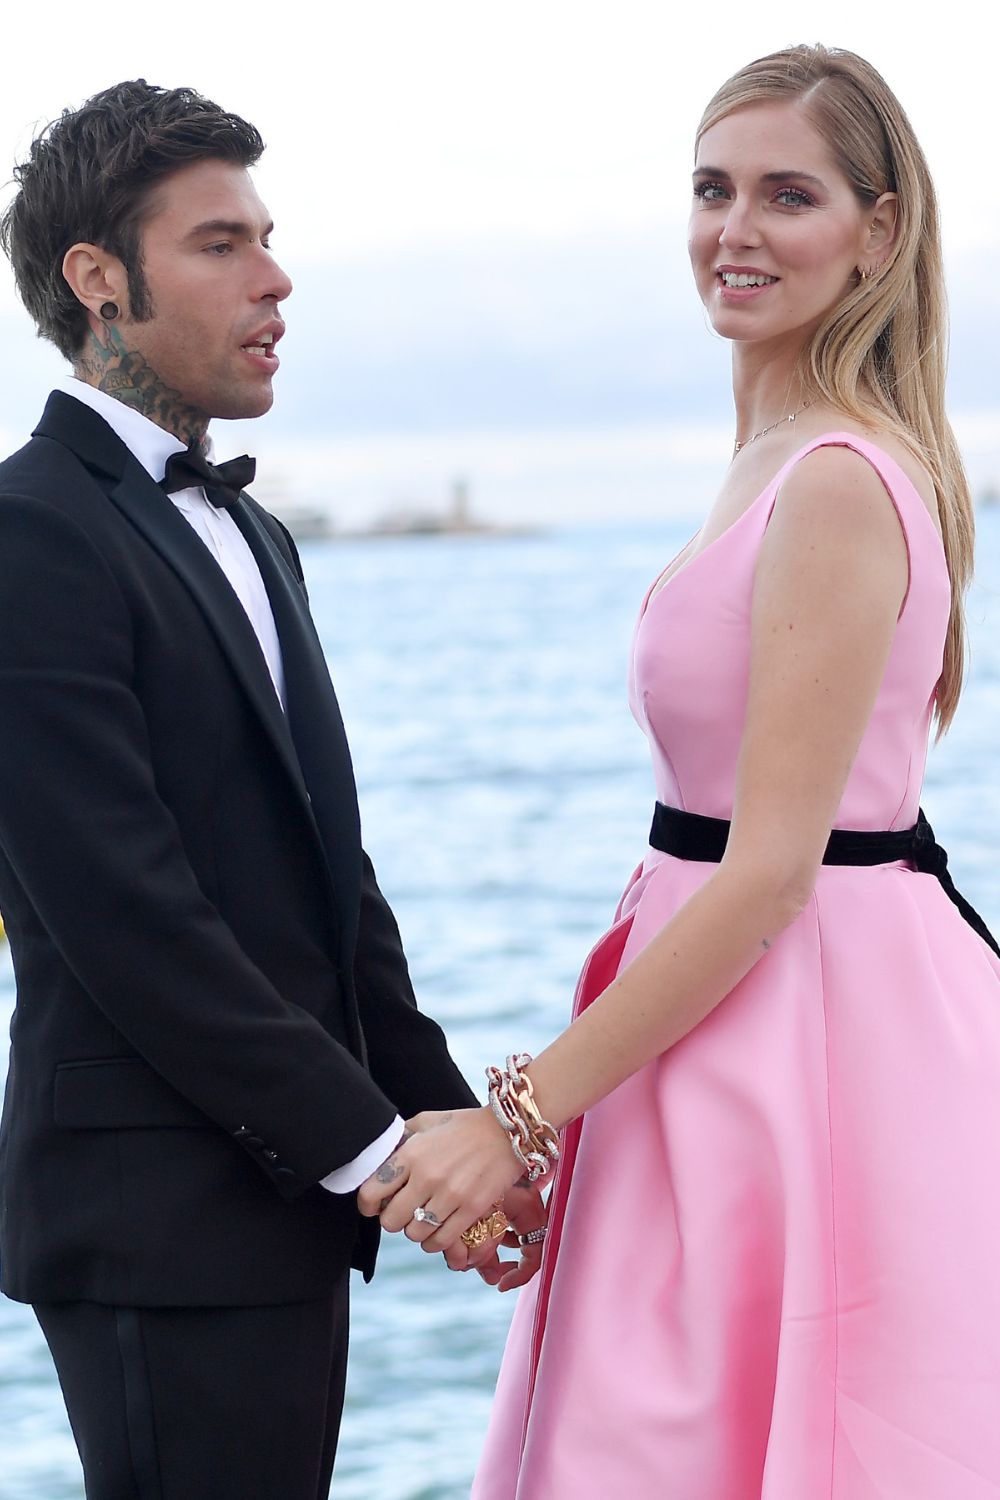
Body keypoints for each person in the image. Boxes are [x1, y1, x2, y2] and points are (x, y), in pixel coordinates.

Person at [360, 43, 1000, 1497]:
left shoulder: (837, 479)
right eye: (713, 190)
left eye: (789, 194)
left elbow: (770, 871)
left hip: (802, 1051)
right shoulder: (775, 461)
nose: (736, 230)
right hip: (735, 1032)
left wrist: (515, 1117)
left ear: (879, 234)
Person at [0, 80, 536, 1500]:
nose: (276, 278)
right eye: (223, 243)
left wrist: (449, 1125)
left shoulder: (260, 537)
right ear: (98, 280)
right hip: (152, 1217)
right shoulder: (25, 532)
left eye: (269, 238)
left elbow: (327, 876)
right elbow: (126, 913)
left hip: (280, 1198)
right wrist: (381, 1154)